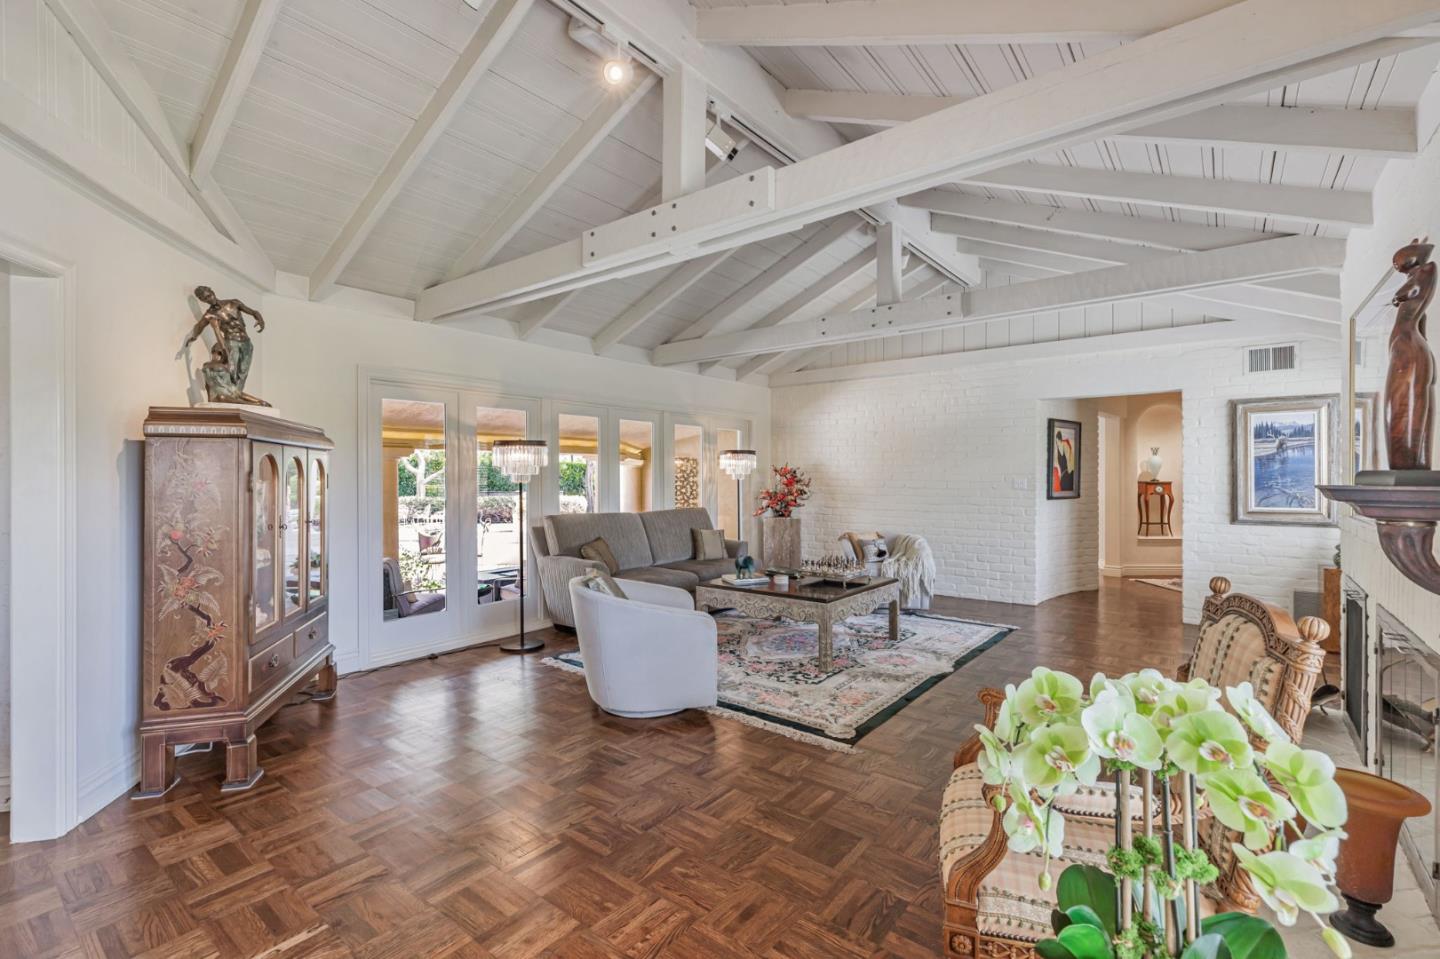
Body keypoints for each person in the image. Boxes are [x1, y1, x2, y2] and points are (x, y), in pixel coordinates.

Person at [183, 286, 270, 405]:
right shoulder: (210, 314)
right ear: (202, 301)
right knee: (232, 372)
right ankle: (233, 399)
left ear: (212, 291)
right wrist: (193, 337)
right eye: (205, 298)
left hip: (246, 342)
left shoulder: (233, 303)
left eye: (209, 295)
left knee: (243, 372)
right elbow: (199, 326)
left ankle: (236, 396)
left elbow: (253, 312)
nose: (209, 299)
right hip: (231, 342)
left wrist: (260, 319)